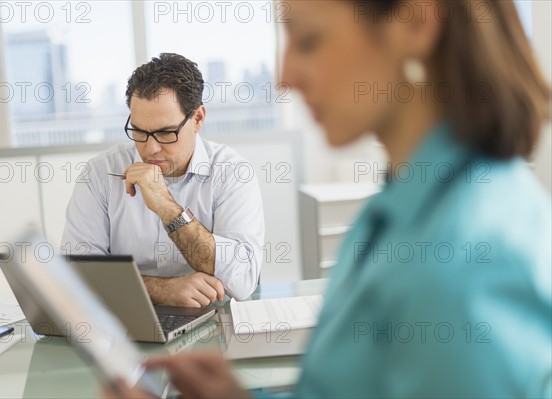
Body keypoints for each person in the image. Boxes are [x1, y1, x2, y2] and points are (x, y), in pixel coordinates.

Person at [103, 1, 551, 397]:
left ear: (414, 24)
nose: (285, 76)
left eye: (310, 40)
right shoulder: (406, 203)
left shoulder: (466, 255)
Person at [62, 53, 265, 307]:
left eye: (165, 133)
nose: (150, 149)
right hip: (128, 323)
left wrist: (168, 208)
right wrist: (161, 290)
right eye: (139, 131)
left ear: (198, 119)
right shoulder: (100, 174)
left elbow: (243, 280)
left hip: (215, 324)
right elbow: (76, 276)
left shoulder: (232, 173)